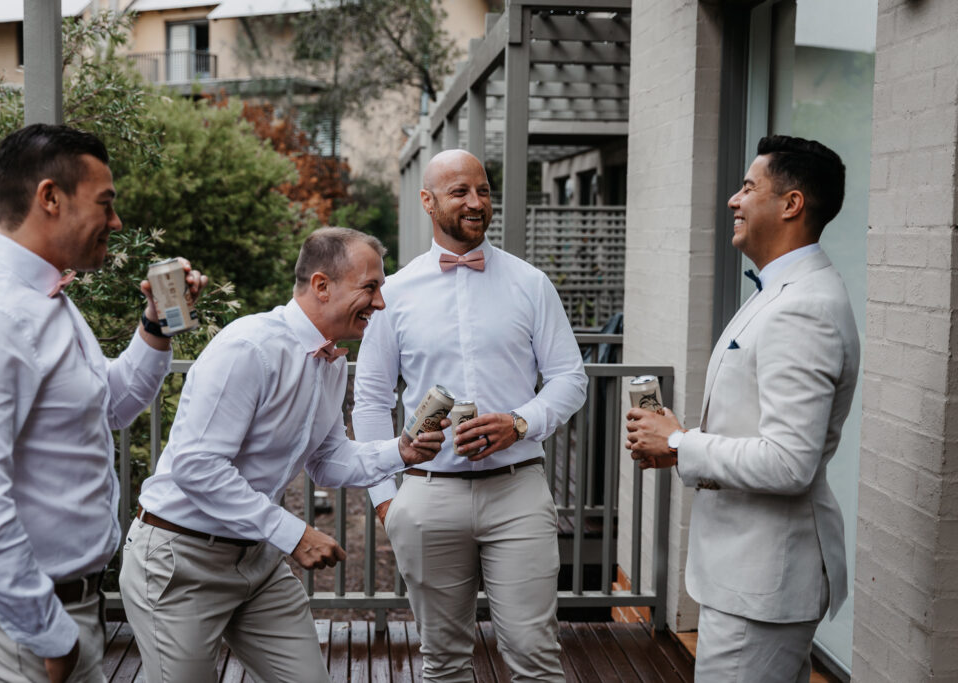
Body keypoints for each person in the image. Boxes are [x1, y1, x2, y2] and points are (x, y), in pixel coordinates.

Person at [0, 123, 207, 683]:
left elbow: (110, 406)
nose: (116, 221)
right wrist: (50, 634)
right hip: (13, 628)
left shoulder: (42, 297)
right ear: (50, 198)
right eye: (105, 203)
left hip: (58, 616)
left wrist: (157, 327)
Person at [119, 227, 447, 683]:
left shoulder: (332, 362)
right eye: (370, 287)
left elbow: (326, 460)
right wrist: (293, 534)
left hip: (257, 560)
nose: (380, 303)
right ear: (321, 285)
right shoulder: (249, 347)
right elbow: (198, 468)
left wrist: (401, 450)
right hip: (180, 561)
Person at [625, 135, 860, 682]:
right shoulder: (781, 291)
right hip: (751, 578)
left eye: (749, 187)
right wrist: (678, 448)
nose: (734, 199)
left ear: (791, 204)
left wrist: (680, 442)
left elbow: (788, 462)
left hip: (762, 583)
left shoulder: (802, 307)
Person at [353, 149, 588, 682]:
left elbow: (570, 378)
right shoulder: (394, 294)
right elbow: (369, 400)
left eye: (483, 190)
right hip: (428, 494)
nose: (476, 202)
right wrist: (386, 499)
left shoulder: (530, 283)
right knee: (442, 662)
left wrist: (520, 422)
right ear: (427, 200)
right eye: (460, 192)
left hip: (517, 491)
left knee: (535, 657)